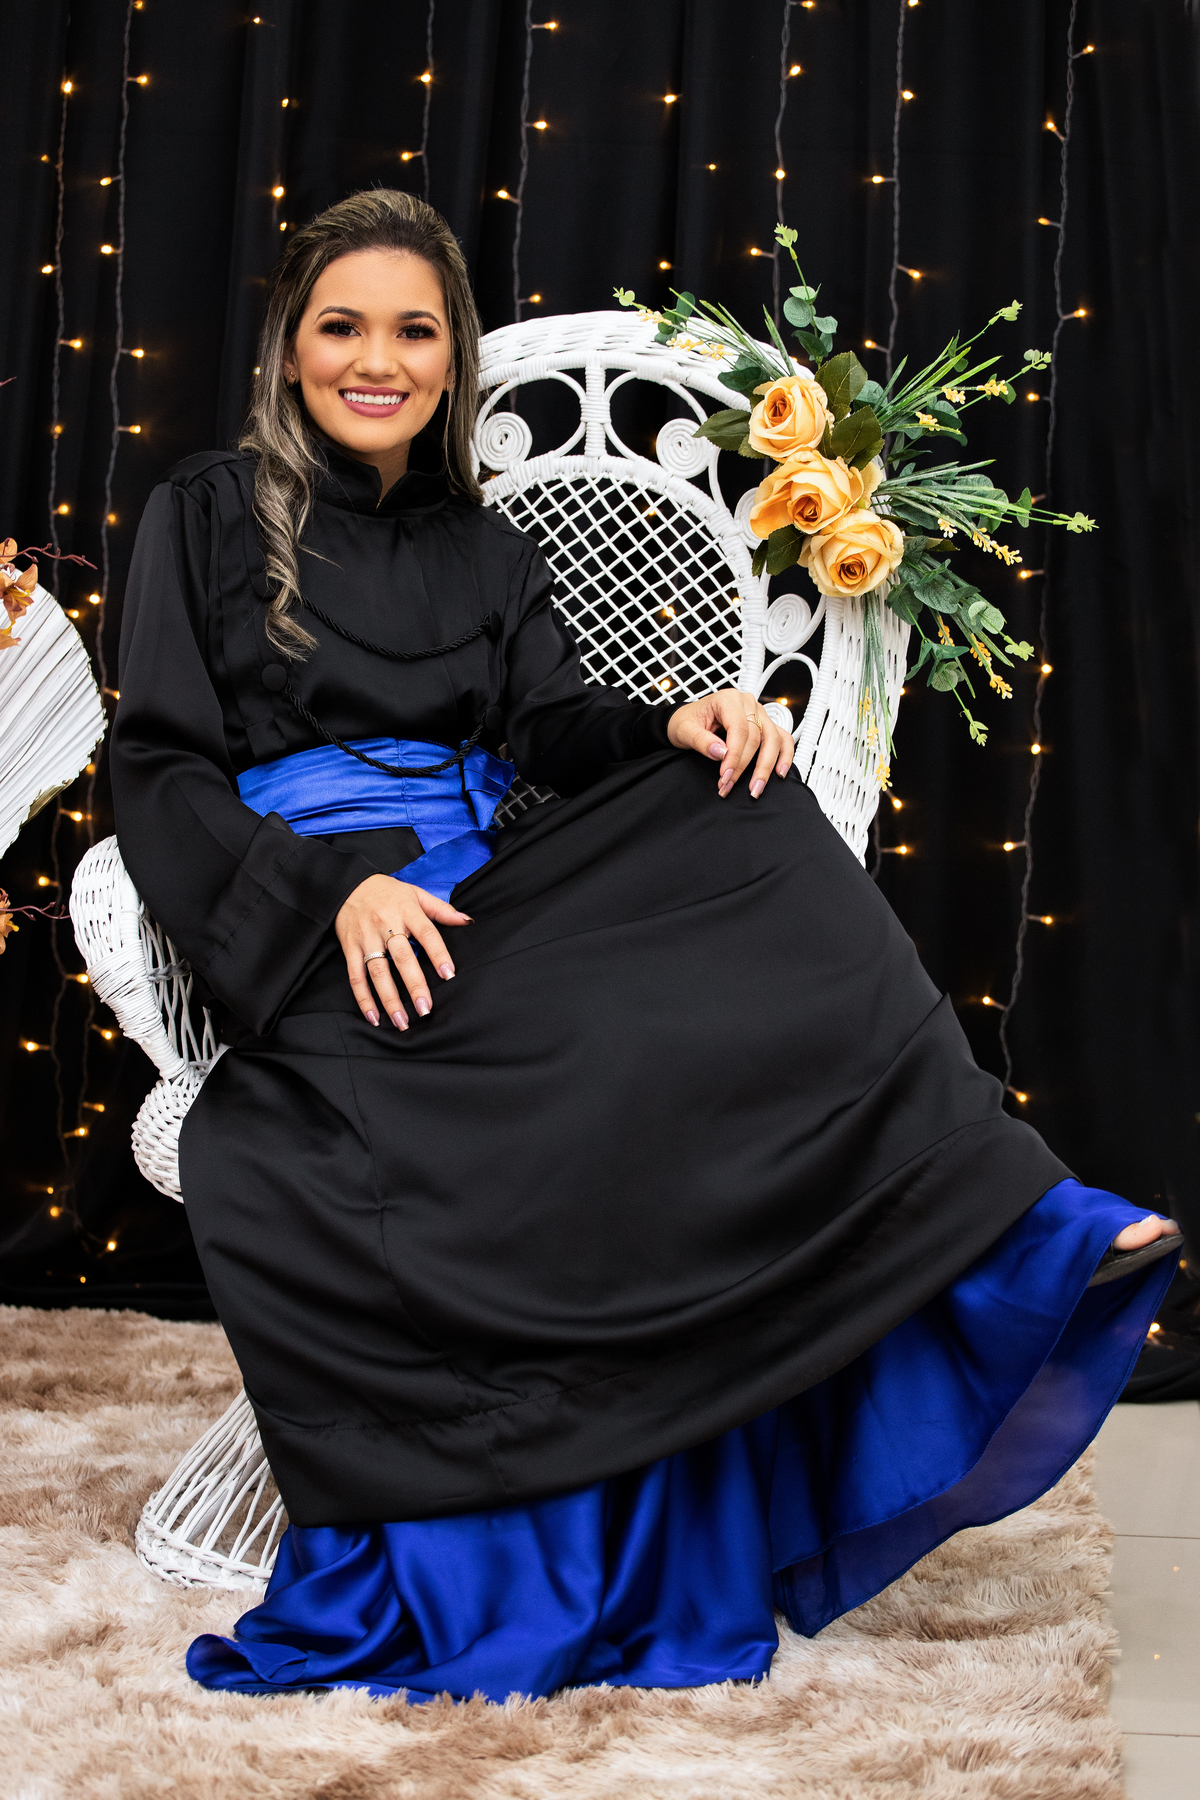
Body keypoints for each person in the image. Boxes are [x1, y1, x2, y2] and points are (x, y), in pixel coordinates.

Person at [110, 190, 1179, 1703]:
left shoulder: (483, 544)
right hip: (326, 931)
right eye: (342, 327)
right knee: (593, 1037)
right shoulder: (208, 512)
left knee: (750, 802)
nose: (377, 361)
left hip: (492, 897)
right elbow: (158, 767)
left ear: (451, 354)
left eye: (414, 331)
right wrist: (325, 899)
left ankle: (1008, 1212)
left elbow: (552, 725)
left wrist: (677, 720)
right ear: (290, 347)